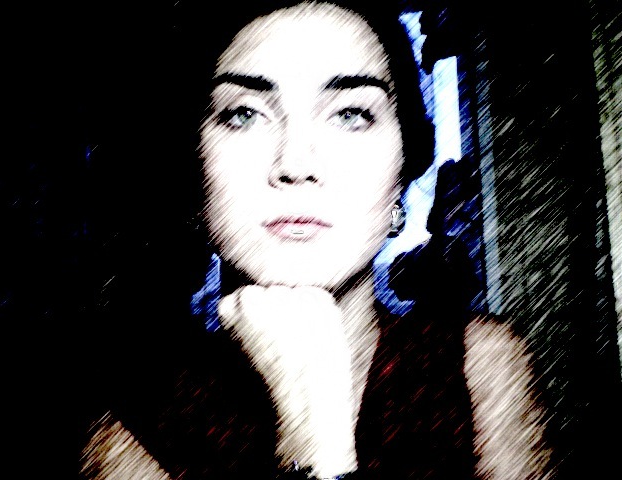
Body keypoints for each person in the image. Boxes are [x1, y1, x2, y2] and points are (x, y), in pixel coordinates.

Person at [77, 1, 554, 479]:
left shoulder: (481, 368)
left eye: (350, 114)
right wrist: (310, 443)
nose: (296, 164)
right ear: (196, 171)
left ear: (403, 172)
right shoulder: (128, 439)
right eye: (244, 114)